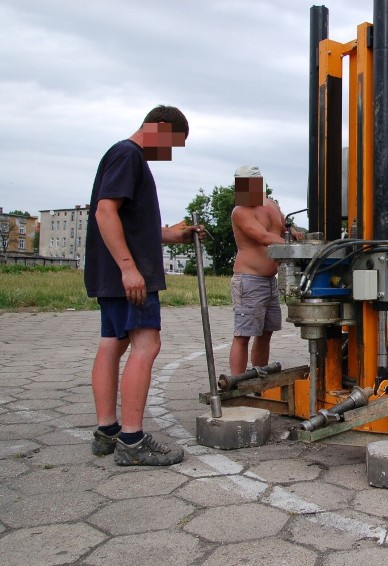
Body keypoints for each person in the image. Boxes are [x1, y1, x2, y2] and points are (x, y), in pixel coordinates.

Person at [85, 105, 203, 466]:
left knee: (112, 345)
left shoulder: (126, 156)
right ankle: (132, 441)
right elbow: (105, 212)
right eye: (171, 145)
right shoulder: (129, 154)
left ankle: (107, 431)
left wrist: (175, 235)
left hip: (112, 275)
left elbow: (135, 225)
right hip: (128, 276)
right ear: (160, 128)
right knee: (146, 345)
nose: (168, 154)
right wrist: (128, 268)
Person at [228, 165, 293, 376]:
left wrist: (296, 234)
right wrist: (295, 249)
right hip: (249, 280)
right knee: (243, 333)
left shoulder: (271, 205)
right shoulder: (240, 212)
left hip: (269, 280)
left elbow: (285, 228)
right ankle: (236, 385)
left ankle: (258, 378)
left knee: (266, 332)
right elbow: (264, 238)